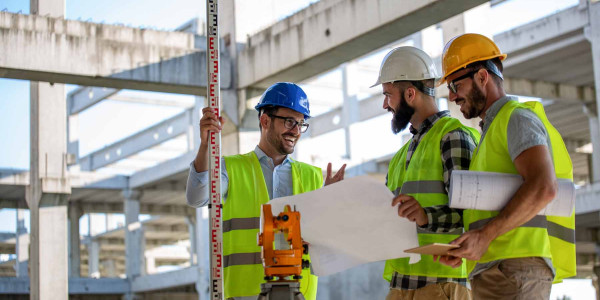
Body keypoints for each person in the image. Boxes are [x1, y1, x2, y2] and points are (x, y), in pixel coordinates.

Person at [437, 33, 575, 299]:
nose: (452, 96)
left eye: (455, 85)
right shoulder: (491, 132)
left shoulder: (516, 119)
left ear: (482, 77)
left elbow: (544, 187)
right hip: (498, 271)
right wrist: (471, 243)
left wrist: (485, 236)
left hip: (515, 270)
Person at [186, 82, 346, 300]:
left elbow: (329, 247)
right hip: (246, 294)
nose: (296, 131)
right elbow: (196, 197)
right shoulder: (231, 168)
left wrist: (330, 209)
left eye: (301, 124)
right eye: (290, 122)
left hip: (300, 294)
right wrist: (205, 146)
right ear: (265, 120)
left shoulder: (314, 177)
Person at [371, 46, 479, 300]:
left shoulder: (452, 137)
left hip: (442, 284)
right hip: (400, 284)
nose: (385, 104)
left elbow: (472, 216)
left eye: (388, 95)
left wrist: (424, 216)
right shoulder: (401, 156)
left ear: (410, 93)